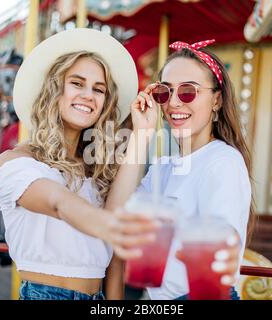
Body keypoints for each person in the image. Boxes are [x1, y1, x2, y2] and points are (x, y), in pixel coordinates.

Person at [0, 28, 159, 300]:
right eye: (77, 83)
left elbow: (113, 228)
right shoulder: (17, 162)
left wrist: (142, 134)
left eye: (99, 89)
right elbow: (60, 203)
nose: (88, 95)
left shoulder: (96, 169)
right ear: (55, 90)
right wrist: (116, 227)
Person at [106, 39, 254, 300]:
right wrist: (141, 134)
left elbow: (213, 265)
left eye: (188, 91)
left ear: (216, 100)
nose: (173, 102)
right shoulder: (165, 166)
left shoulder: (223, 162)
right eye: (164, 92)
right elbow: (114, 217)